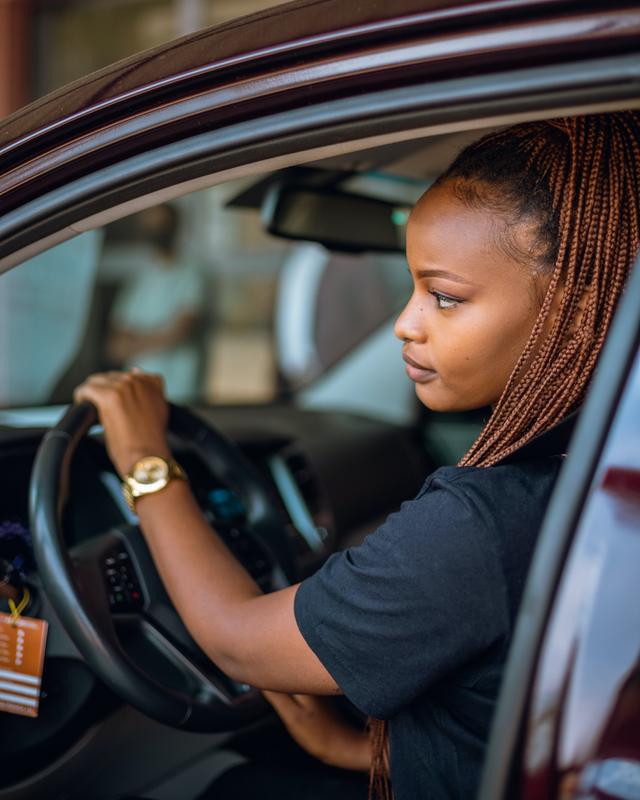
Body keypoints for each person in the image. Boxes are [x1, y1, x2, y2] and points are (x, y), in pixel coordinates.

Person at [74, 112, 640, 800]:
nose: (405, 322)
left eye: (443, 296)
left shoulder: (480, 525)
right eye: (411, 288)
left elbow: (233, 641)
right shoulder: (593, 476)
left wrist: (143, 460)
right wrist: (353, 749)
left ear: (577, 313)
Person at [106, 203, 204, 402]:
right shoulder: (140, 278)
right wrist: (161, 336)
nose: (155, 231)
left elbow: (180, 333)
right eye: (150, 225)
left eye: (161, 224)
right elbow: (115, 348)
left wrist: (136, 341)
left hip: (179, 392)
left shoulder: (192, 273)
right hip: (139, 394)